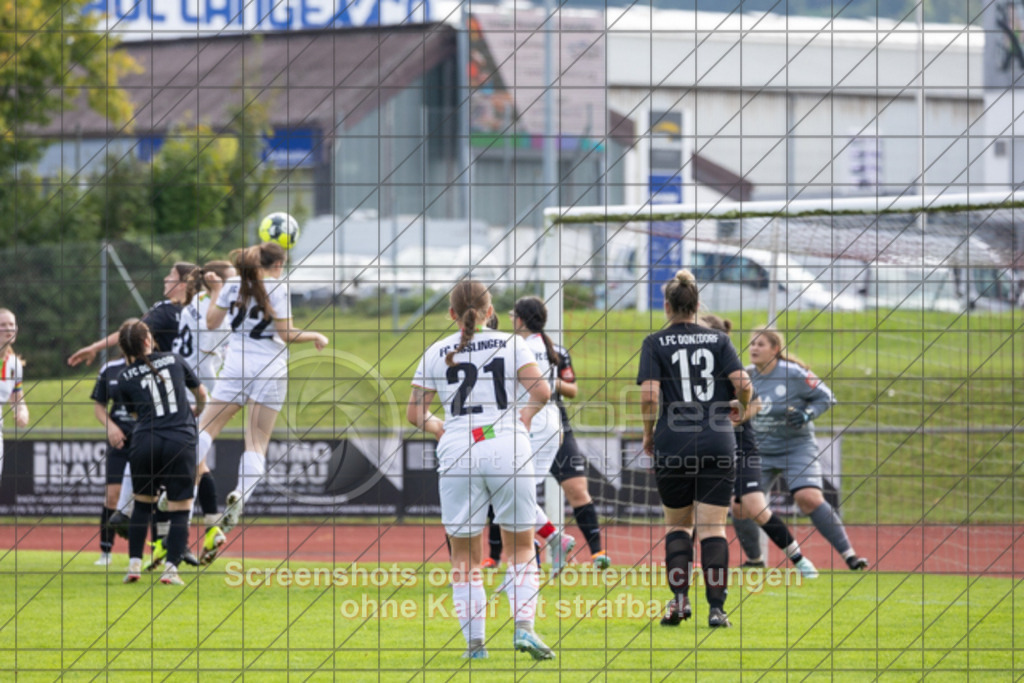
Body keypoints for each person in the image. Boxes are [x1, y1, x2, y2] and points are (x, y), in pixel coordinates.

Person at [407, 280, 555, 660]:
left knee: (464, 559)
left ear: (452, 315)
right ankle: (524, 628)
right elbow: (542, 392)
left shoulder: (434, 351)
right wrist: (524, 417)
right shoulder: (513, 342)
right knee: (521, 548)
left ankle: (475, 647)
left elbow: (414, 413)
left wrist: (443, 429)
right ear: (490, 312)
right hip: (506, 441)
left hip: (458, 447)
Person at [637, 270, 752, 629]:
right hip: (717, 438)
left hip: (674, 440)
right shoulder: (719, 340)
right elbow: (743, 383)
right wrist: (740, 408)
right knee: (713, 529)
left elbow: (649, 395)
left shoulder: (654, 341)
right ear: (698, 304)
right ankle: (717, 610)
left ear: (667, 306)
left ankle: (679, 601)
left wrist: (648, 432)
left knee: (677, 526)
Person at [195, 242, 328, 532]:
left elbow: (212, 322)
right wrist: (315, 335)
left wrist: (217, 290)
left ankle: (180, 486)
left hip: (235, 367)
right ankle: (240, 495)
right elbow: (287, 334)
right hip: (270, 368)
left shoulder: (232, 284)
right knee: (256, 441)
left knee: (205, 429)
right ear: (278, 265)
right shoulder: (278, 289)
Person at [698, 314, 818, 579]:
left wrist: (726, 421)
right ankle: (739, 563)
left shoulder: (729, 367)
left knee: (756, 508)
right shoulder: (694, 370)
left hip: (740, 449)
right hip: (710, 448)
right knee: (705, 508)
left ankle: (799, 560)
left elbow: (755, 403)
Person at [741, 327, 869, 571]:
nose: (754, 348)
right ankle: (755, 561)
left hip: (796, 448)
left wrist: (807, 414)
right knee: (740, 506)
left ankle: (850, 556)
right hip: (758, 451)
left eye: (761, 344)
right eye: (752, 344)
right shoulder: (744, 376)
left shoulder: (794, 374)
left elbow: (826, 397)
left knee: (808, 498)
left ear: (775, 349)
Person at [116, 320, 208, 586]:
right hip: (179, 438)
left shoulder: (123, 377)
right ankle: (170, 570)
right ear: (148, 340)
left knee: (142, 505)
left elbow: (135, 414)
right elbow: (201, 394)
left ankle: (134, 564)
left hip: (145, 441)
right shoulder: (174, 359)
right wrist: (196, 411)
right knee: (181, 509)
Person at [167, 260, 236, 565]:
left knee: (191, 465)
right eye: (232, 280)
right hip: (198, 393)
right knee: (192, 465)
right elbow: (215, 329)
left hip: (186, 393)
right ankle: (204, 529)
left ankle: (178, 539)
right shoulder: (216, 312)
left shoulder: (194, 303)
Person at [508, 296, 576, 576]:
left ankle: (543, 546)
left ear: (521, 320)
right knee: (516, 492)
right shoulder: (550, 347)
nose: (511, 319)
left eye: (514, 315)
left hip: (530, 420)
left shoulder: (516, 347)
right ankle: (550, 540)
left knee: (513, 491)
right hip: (549, 421)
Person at [68, 262, 197, 367]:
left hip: (172, 381)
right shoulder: (202, 311)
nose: (166, 279)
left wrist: (95, 347)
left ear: (182, 285)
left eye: (171, 275)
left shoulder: (166, 310)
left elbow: (132, 332)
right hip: (201, 381)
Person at [90, 317, 140, 566]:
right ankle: (106, 551)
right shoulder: (109, 370)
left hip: (146, 441)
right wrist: (111, 427)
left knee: (147, 497)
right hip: (118, 443)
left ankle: (146, 552)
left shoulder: (153, 367)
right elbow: (99, 406)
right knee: (113, 495)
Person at [0, 308, 29, 480]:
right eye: (2, 325)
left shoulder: (14, 364)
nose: (8, 328)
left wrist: (22, 411)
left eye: (11, 324)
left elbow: (17, 397)